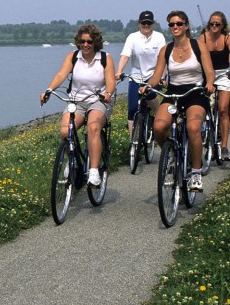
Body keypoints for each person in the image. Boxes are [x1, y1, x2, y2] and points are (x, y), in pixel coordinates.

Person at [141, 11, 215, 192]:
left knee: (193, 127)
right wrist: (147, 86)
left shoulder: (198, 46)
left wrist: (210, 84)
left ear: (186, 26)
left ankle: (196, 172)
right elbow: (157, 76)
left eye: (179, 24)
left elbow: (210, 72)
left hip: (196, 91)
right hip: (174, 92)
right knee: (158, 127)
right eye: (172, 24)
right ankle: (172, 153)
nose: (175, 27)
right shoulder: (166, 50)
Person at [40, 24, 116, 187]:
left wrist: (108, 93)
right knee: (65, 130)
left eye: (89, 41)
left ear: (95, 42)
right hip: (76, 101)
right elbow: (61, 74)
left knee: (93, 127)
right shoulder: (73, 56)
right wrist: (49, 90)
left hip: (99, 100)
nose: (86, 45)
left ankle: (94, 171)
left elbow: (110, 81)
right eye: (83, 41)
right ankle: (70, 161)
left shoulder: (104, 58)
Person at [116, 10, 167, 137]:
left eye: (149, 23)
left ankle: (158, 118)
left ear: (153, 24)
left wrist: (162, 76)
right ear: (139, 23)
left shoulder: (159, 37)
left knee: (150, 96)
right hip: (136, 77)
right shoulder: (132, 37)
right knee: (132, 109)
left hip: (153, 76)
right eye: (143, 23)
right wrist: (119, 71)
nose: (146, 25)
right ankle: (133, 142)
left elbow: (163, 58)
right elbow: (125, 55)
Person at [200, 11, 230, 161]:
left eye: (217, 24)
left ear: (223, 25)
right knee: (203, 109)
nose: (214, 26)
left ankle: (224, 146)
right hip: (207, 75)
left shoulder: (227, 38)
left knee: (223, 110)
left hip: (223, 75)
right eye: (212, 24)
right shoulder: (203, 37)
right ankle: (204, 137)